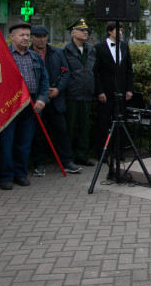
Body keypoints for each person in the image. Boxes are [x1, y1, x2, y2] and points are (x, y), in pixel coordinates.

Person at [0, 21, 49, 190]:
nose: (26, 38)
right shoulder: (2, 57)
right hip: (8, 106)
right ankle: (5, 177)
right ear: (12, 36)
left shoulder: (34, 56)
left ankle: (20, 174)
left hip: (31, 104)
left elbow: (44, 80)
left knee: (24, 143)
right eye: (22, 35)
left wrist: (42, 98)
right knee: (6, 143)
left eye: (27, 35)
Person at [29, 25, 82, 176]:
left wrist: (58, 89)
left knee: (61, 131)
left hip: (55, 99)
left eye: (44, 36)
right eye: (38, 37)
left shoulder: (56, 52)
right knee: (37, 134)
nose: (42, 39)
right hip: (36, 101)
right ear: (32, 38)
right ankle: (39, 164)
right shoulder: (28, 54)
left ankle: (67, 161)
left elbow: (66, 73)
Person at [94, 21, 134, 165]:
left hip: (121, 92)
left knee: (121, 121)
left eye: (122, 30)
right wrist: (99, 91)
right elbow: (96, 72)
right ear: (110, 31)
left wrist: (129, 88)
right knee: (103, 123)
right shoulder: (99, 47)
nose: (120, 33)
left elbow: (129, 69)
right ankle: (101, 152)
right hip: (106, 91)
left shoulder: (124, 46)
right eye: (118, 30)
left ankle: (119, 151)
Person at [62, 18, 97, 167]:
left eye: (86, 30)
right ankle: (67, 157)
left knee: (84, 127)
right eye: (81, 30)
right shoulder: (65, 50)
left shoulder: (90, 49)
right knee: (69, 127)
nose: (85, 32)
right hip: (72, 94)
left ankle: (81, 155)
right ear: (73, 33)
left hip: (86, 93)